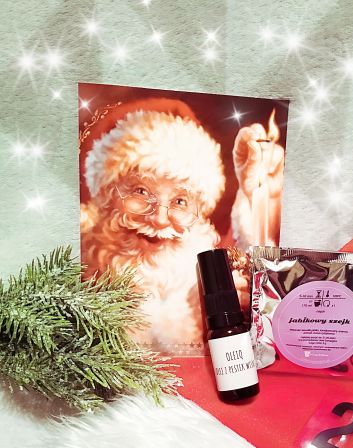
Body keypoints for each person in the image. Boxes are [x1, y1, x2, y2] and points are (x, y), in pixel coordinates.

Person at [80, 98, 284, 352]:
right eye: (140, 191)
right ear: (107, 191)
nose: (159, 219)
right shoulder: (79, 255)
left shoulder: (204, 263)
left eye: (179, 201)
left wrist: (256, 196)